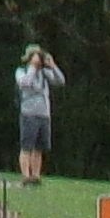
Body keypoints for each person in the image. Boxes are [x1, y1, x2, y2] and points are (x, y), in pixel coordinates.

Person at [13, 43, 63, 185]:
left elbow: (60, 81)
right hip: (29, 113)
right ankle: (25, 176)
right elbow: (25, 83)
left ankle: (36, 176)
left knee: (39, 148)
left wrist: (52, 65)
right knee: (26, 146)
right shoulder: (21, 71)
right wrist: (33, 67)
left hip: (44, 114)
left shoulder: (44, 73)